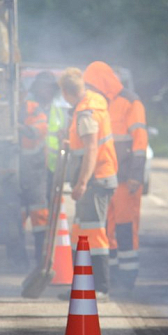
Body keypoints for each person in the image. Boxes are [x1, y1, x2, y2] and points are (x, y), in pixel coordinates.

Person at [83, 61, 148, 291]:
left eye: (91, 84)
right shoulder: (100, 103)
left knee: (125, 227)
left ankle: (128, 278)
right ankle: (110, 278)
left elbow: (140, 143)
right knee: (107, 229)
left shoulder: (131, 101)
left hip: (126, 179)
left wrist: (135, 176)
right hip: (107, 177)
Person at [58, 68, 118, 300]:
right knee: (81, 233)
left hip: (95, 180)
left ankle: (100, 288)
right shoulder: (94, 101)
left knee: (94, 234)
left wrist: (82, 182)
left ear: (65, 92)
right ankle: (82, 287)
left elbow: (91, 148)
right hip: (98, 177)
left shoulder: (85, 113)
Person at [18, 90, 49, 264]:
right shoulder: (1, 109)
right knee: (17, 217)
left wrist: (19, 127)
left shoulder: (35, 110)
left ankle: (40, 258)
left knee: (40, 217)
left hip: (36, 173)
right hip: (15, 174)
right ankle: (19, 259)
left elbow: (38, 131)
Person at [29, 71, 69, 199]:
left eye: (50, 87)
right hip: (31, 166)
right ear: (36, 88)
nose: (47, 91)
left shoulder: (58, 111)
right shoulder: (27, 108)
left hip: (52, 167)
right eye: (44, 87)